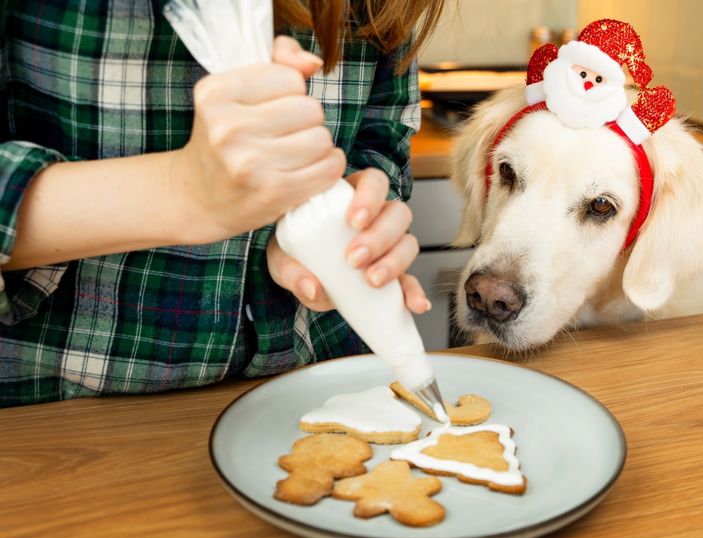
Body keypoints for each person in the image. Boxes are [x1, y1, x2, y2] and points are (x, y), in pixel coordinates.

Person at [0, 0, 446, 406]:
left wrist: (341, 216)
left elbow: (381, 135)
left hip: (321, 385)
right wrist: (182, 192)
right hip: (61, 417)